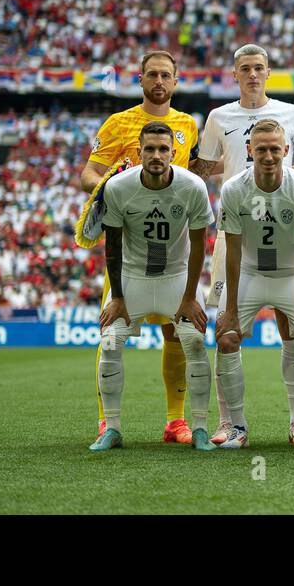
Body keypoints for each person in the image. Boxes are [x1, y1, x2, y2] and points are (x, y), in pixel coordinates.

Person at [191, 43, 294, 445]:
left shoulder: (292, 114)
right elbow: (202, 168)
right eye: (245, 69)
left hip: (288, 231)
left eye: (259, 68)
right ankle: (229, 423)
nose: (253, 75)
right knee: (227, 327)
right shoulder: (219, 117)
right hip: (236, 234)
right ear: (234, 74)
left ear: (268, 71)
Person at [79, 50, 201, 445]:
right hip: (128, 244)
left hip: (172, 246)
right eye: (152, 75)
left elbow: (193, 175)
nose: (159, 82)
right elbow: (88, 173)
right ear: (141, 79)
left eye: (166, 75)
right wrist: (111, 181)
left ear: (176, 81)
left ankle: (176, 422)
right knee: (111, 332)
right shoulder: (119, 123)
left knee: (175, 334)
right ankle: (107, 424)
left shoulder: (187, 126)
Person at [91, 122, 216, 453]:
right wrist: (117, 298)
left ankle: (200, 427)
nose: (157, 155)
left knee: (195, 343)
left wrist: (190, 297)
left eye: (163, 149)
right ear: (139, 152)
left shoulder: (192, 187)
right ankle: (112, 428)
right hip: (133, 277)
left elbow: (200, 243)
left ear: (174, 154)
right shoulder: (118, 187)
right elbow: (112, 246)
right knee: (111, 341)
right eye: (150, 149)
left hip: (176, 277)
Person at [214, 119, 294, 450]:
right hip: (250, 273)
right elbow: (232, 251)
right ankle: (237, 427)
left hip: (290, 274)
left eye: (274, 149)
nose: (268, 155)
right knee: (227, 336)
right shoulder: (234, 189)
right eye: (260, 149)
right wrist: (231, 309)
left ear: (286, 151)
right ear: (249, 151)